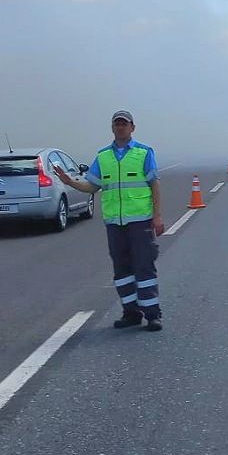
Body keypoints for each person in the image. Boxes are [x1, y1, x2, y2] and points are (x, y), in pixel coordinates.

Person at [54, 110, 166, 331]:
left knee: (144, 267)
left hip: (140, 221)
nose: (121, 127)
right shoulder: (103, 156)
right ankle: (131, 313)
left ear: (132, 127)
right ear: (112, 128)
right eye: (117, 124)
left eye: (124, 124)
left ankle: (153, 314)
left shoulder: (144, 153)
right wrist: (70, 182)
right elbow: (91, 186)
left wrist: (157, 215)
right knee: (122, 270)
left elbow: (154, 184)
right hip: (115, 223)